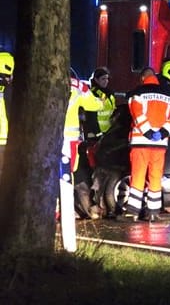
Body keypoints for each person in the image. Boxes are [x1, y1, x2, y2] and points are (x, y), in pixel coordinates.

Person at [119, 67, 170, 222]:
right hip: (160, 144)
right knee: (155, 177)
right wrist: (163, 132)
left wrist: (148, 133)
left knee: (138, 176)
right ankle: (153, 212)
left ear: (142, 78)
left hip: (141, 142)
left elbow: (137, 114)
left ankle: (132, 212)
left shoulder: (137, 94)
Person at [60, 73, 104, 251]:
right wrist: (97, 97)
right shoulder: (78, 86)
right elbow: (95, 105)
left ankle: (57, 210)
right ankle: (64, 210)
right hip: (69, 139)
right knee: (67, 175)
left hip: (48, 136)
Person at [84, 67, 116, 138]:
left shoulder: (109, 93)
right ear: (96, 80)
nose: (106, 81)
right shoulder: (92, 93)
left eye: (107, 78)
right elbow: (91, 116)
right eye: (103, 79)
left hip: (109, 131)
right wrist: (95, 133)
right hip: (97, 133)